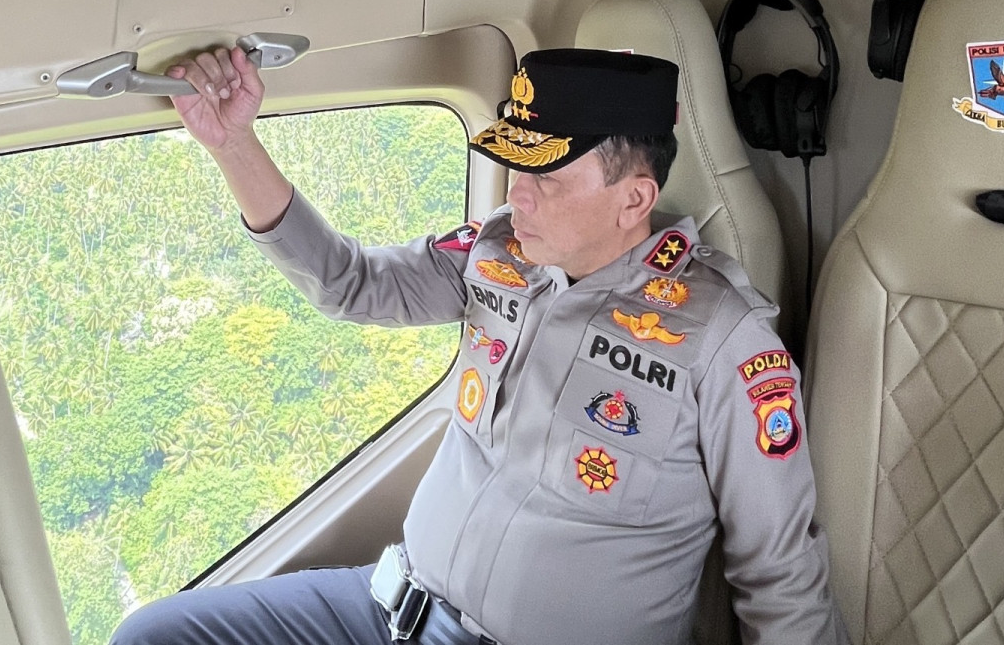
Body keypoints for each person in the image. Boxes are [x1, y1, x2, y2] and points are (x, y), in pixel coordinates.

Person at [111, 45, 848, 645]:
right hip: (385, 609)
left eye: (547, 175)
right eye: (516, 164)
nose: (516, 193)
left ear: (634, 198)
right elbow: (349, 283)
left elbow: (780, 576)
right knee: (151, 636)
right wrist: (233, 143)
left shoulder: (722, 340)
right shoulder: (497, 253)